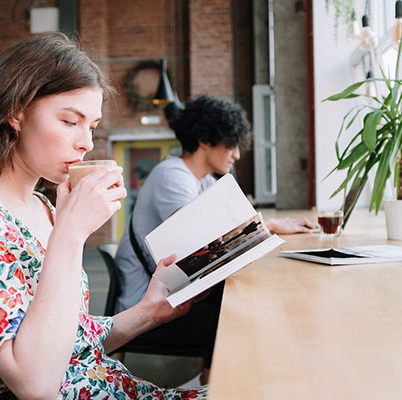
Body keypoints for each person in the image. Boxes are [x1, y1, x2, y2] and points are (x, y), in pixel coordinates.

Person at [0, 32, 206, 399]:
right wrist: (71, 233)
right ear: (15, 112)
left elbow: (71, 343)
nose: (86, 142)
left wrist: (149, 312)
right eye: (69, 121)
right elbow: (36, 385)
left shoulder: (42, 207)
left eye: (91, 126)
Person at [114, 95, 315, 386]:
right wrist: (268, 225)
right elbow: (205, 243)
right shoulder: (172, 176)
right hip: (145, 305)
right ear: (205, 139)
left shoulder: (203, 180)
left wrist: (267, 226)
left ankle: (209, 384)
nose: (237, 154)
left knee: (242, 309)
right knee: (241, 322)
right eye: (231, 144)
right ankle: (214, 387)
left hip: (172, 294)